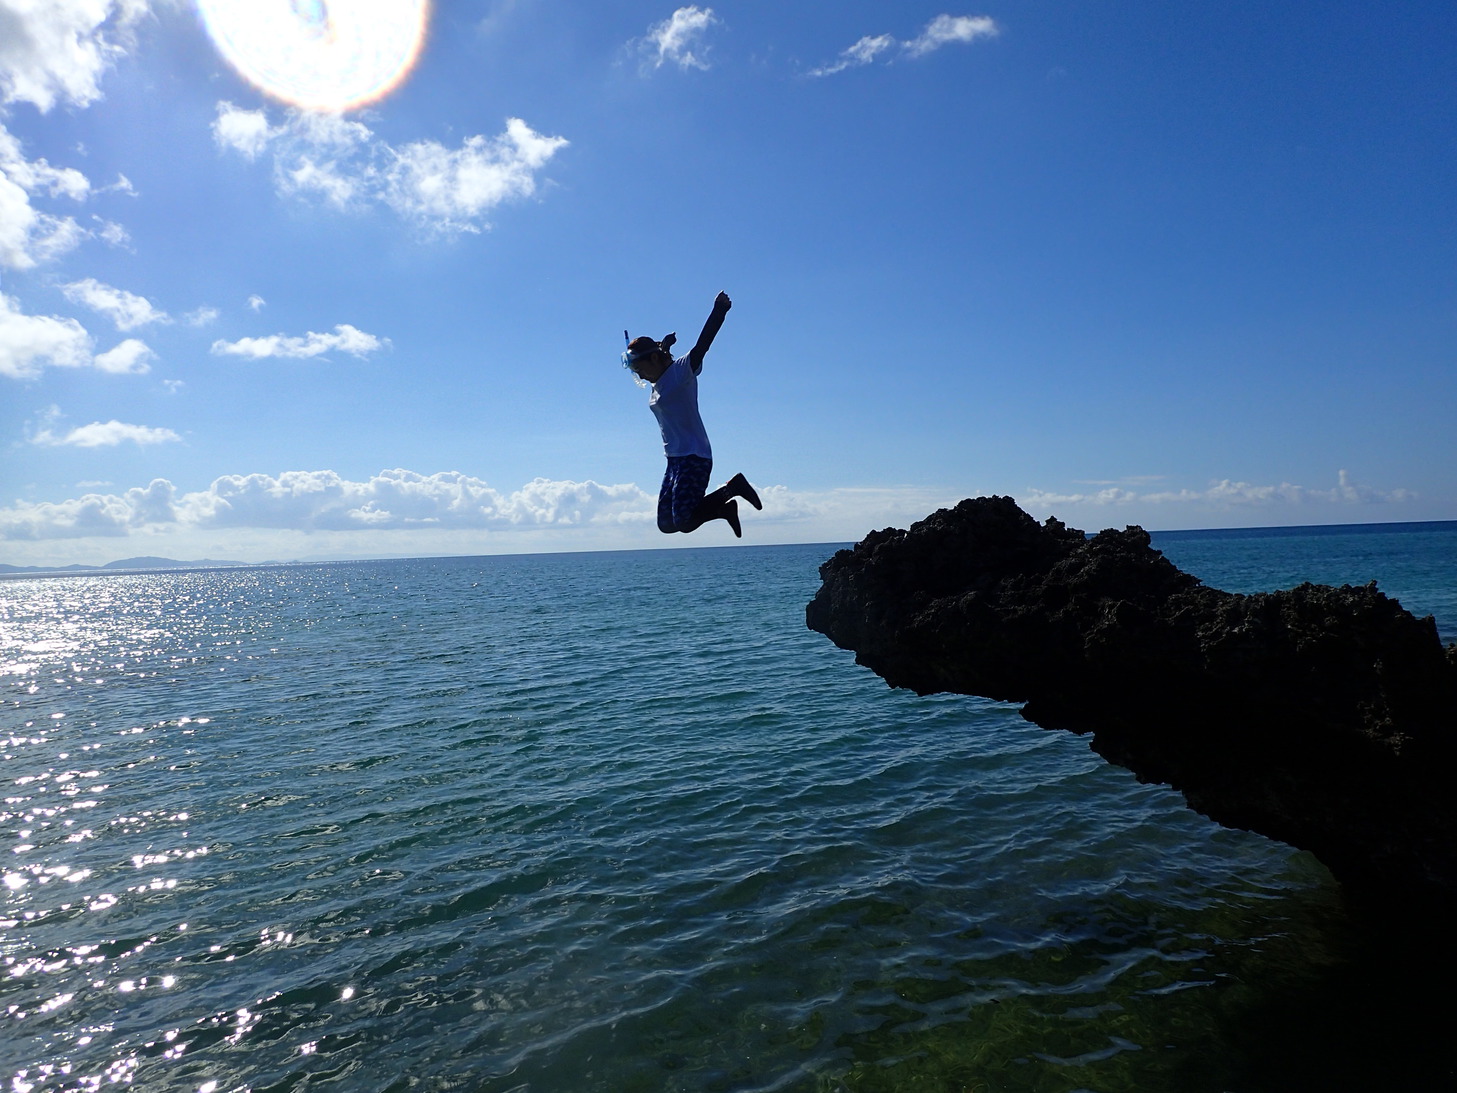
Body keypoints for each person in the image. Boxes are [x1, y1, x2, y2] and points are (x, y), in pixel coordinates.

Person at [623, 290, 761, 537]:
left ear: (654, 359)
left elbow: (703, 344)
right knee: (666, 524)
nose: (639, 375)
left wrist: (719, 310)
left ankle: (734, 487)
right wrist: (665, 345)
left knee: (685, 521)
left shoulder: (682, 372)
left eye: (638, 367)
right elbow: (660, 360)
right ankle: (725, 510)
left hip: (694, 455)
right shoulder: (660, 378)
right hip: (674, 460)